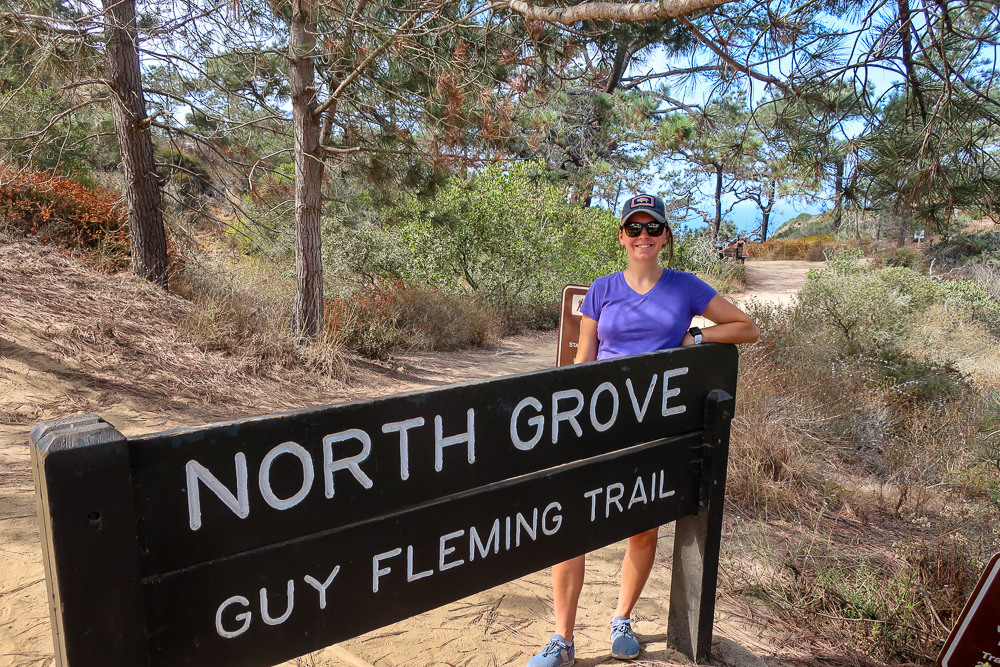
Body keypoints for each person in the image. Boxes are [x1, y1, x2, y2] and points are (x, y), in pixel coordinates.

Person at [527, 194, 759, 667]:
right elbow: (582, 362)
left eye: (653, 228)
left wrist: (696, 336)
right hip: (602, 423)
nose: (643, 237)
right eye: (634, 228)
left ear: (666, 236)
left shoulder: (686, 288)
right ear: (621, 236)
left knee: (643, 530)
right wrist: (570, 431)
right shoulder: (602, 289)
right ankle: (562, 640)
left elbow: (745, 327)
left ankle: (621, 618)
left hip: (660, 427)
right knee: (573, 527)